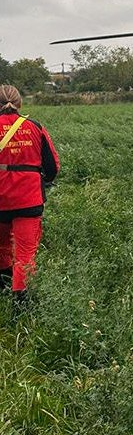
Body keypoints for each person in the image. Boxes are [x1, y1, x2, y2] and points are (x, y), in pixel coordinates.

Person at [0, 84, 59, 306]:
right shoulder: (35, 126)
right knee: (25, 254)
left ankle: (3, 285)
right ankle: (21, 304)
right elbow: (52, 166)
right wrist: (43, 180)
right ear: (19, 103)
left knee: (1, 246)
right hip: (29, 199)